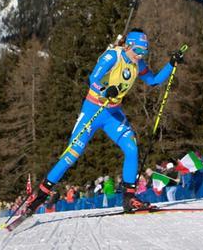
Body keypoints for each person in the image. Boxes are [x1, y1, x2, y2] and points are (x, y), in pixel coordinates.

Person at [23, 29, 185, 214]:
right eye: (138, 50)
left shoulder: (137, 64)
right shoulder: (113, 56)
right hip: (94, 110)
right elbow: (92, 78)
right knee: (71, 155)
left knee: (131, 148)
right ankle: (38, 199)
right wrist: (104, 90)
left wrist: (172, 64)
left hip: (112, 114)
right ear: (128, 45)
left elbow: (153, 81)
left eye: (144, 52)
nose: (140, 55)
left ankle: (129, 198)